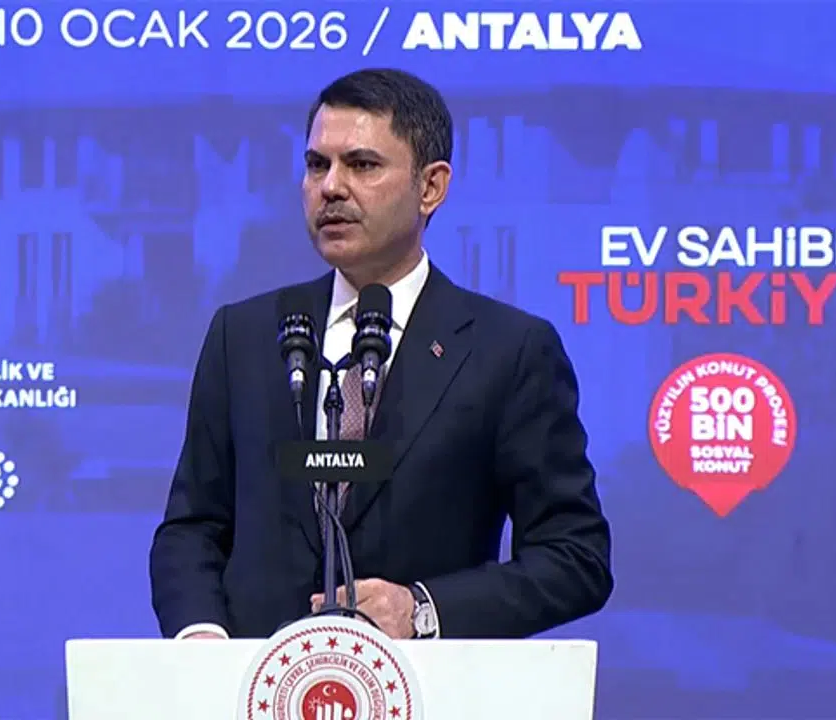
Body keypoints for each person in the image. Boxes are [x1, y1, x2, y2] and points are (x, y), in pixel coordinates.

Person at [149, 68, 612, 640]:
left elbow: (575, 557)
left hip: (421, 682)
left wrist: (421, 610)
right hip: (255, 680)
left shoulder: (508, 351)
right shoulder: (243, 335)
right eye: (316, 165)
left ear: (431, 187)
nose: (331, 187)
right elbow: (192, 528)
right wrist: (201, 640)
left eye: (362, 165)